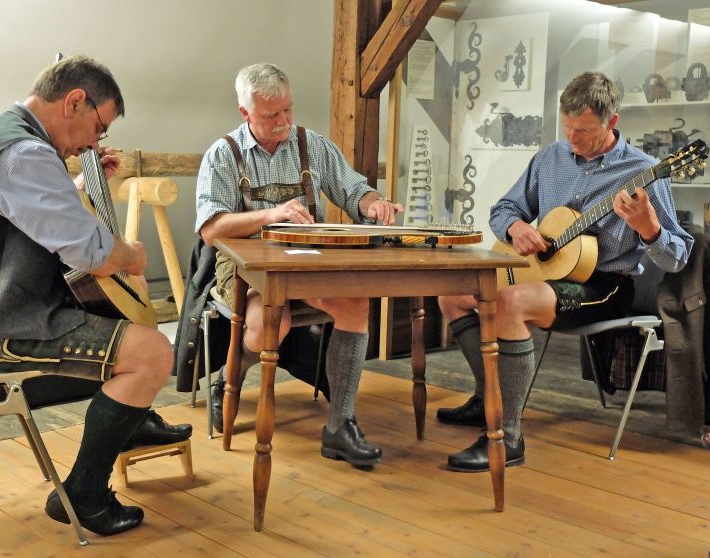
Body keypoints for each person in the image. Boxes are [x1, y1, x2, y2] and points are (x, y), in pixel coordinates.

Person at [0, 55, 191, 536]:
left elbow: (28, 213)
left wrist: (81, 185)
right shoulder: (25, 155)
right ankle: (85, 496)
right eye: (99, 126)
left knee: (124, 333)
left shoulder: (8, 137)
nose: (95, 142)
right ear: (74, 101)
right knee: (152, 353)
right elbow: (92, 254)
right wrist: (130, 255)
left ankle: (130, 422)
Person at [435, 71, 693, 472]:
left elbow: (676, 259)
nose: (572, 138)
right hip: (549, 276)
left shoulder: (644, 171)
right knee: (452, 296)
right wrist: (517, 228)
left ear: (612, 123)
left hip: (606, 285)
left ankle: (506, 437)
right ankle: (489, 396)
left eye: (584, 131)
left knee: (509, 301)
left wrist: (650, 228)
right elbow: (504, 210)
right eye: (568, 127)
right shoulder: (550, 157)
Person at [190, 62, 402, 468]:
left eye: (288, 109)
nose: (284, 121)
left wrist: (372, 204)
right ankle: (226, 382)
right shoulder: (223, 154)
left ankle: (340, 425)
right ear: (245, 114)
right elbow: (212, 228)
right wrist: (270, 216)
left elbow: (354, 188)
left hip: (307, 260)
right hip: (242, 264)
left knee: (355, 304)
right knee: (272, 323)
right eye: (272, 115)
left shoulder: (313, 146)